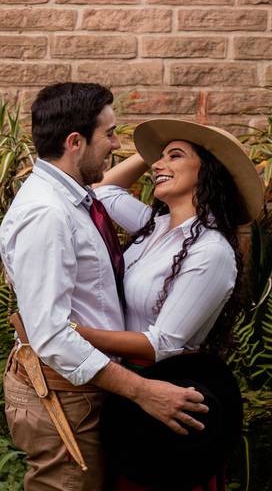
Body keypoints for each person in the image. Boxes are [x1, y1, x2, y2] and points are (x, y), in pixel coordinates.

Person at [0, 83, 208, 491]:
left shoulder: (73, 200)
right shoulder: (47, 213)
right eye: (110, 134)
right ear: (75, 142)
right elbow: (52, 335)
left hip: (83, 389)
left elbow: (107, 189)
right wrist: (142, 391)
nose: (116, 144)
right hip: (64, 396)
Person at [78, 118, 264, 490]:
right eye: (158, 158)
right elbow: (103, 192)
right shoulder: (154, 227)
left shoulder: (211, 251)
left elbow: (160, 344)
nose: (158, 165)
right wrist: (155, 158)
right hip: (123, 385)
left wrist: (70, 333)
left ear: (208, 171)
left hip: (162, 393)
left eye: (175, 157)